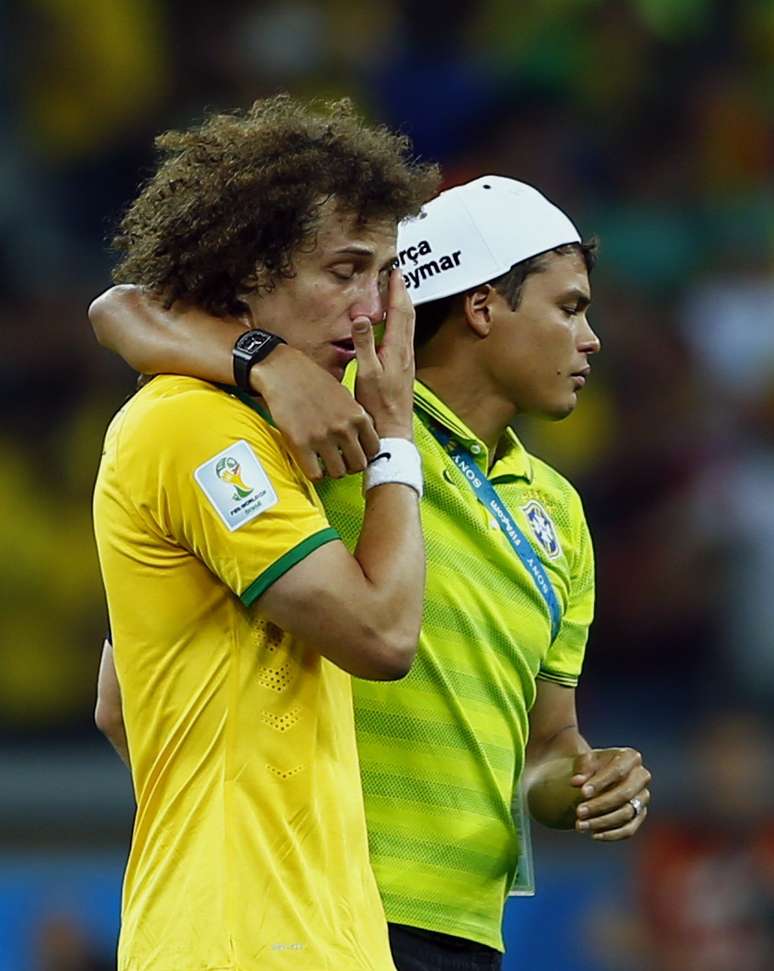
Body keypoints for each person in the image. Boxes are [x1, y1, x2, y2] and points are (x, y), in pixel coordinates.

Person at [92, 174, 653, 971]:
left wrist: (584, 780)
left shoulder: (558, 513)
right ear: (484, 305)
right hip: (320, 896)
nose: (592, 338)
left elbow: (547, 742)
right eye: (570, 307)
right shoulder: (327, 415)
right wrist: (266, 364)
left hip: (466, 925)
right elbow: (121, 309)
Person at [91, 95, 440, 971]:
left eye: (383, 277)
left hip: (315, 935)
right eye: (343, 270)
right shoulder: (197, 427)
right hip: (239, 940)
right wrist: (393, 439)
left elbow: (116, 700)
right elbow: (381, 633)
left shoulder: (275, 436)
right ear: (247, 271)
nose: (369, 311)